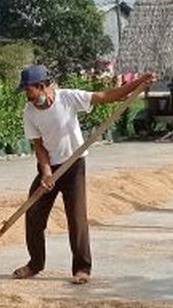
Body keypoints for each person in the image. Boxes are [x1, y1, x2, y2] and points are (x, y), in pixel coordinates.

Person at [13, 65, 156, 284]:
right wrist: (46, 172)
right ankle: (35, 264)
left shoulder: (68, 98)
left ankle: (82, 268)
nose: (27, 96)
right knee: (33, 213)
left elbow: (106, 96)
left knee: (77, 218)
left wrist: (139, 82)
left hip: (74, 165)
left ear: (41, 86)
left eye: (29, 91)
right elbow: (39, 146)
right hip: (50, 169)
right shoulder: (29, 111)